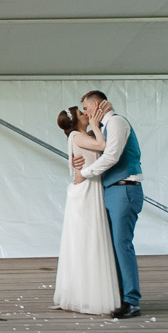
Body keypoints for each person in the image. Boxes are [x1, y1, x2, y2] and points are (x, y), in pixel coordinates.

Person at [72, 90, 145, 319]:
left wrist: (84, 173)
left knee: (122, 244)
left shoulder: (116, 122)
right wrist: (78, 160)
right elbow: (99, 151)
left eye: (86, 108)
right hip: (111, 190)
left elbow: (112, 155)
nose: (84, 113)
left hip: (124, 189)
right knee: (112, 245)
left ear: (97, 105)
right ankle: (120, 296)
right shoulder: (102, 129)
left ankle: (131, 301)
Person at [53, 106, 120, 315]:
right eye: (82, 114)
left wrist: (94, 125)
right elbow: (103, 145)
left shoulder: (82, 136)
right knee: (87, 240)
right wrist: (94, 125)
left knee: (91, 239)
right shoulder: (76, 136)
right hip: (86, 190)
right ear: (76, 121)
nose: (87, 115)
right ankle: (86, 295)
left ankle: (87, 293)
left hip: (91, 187)